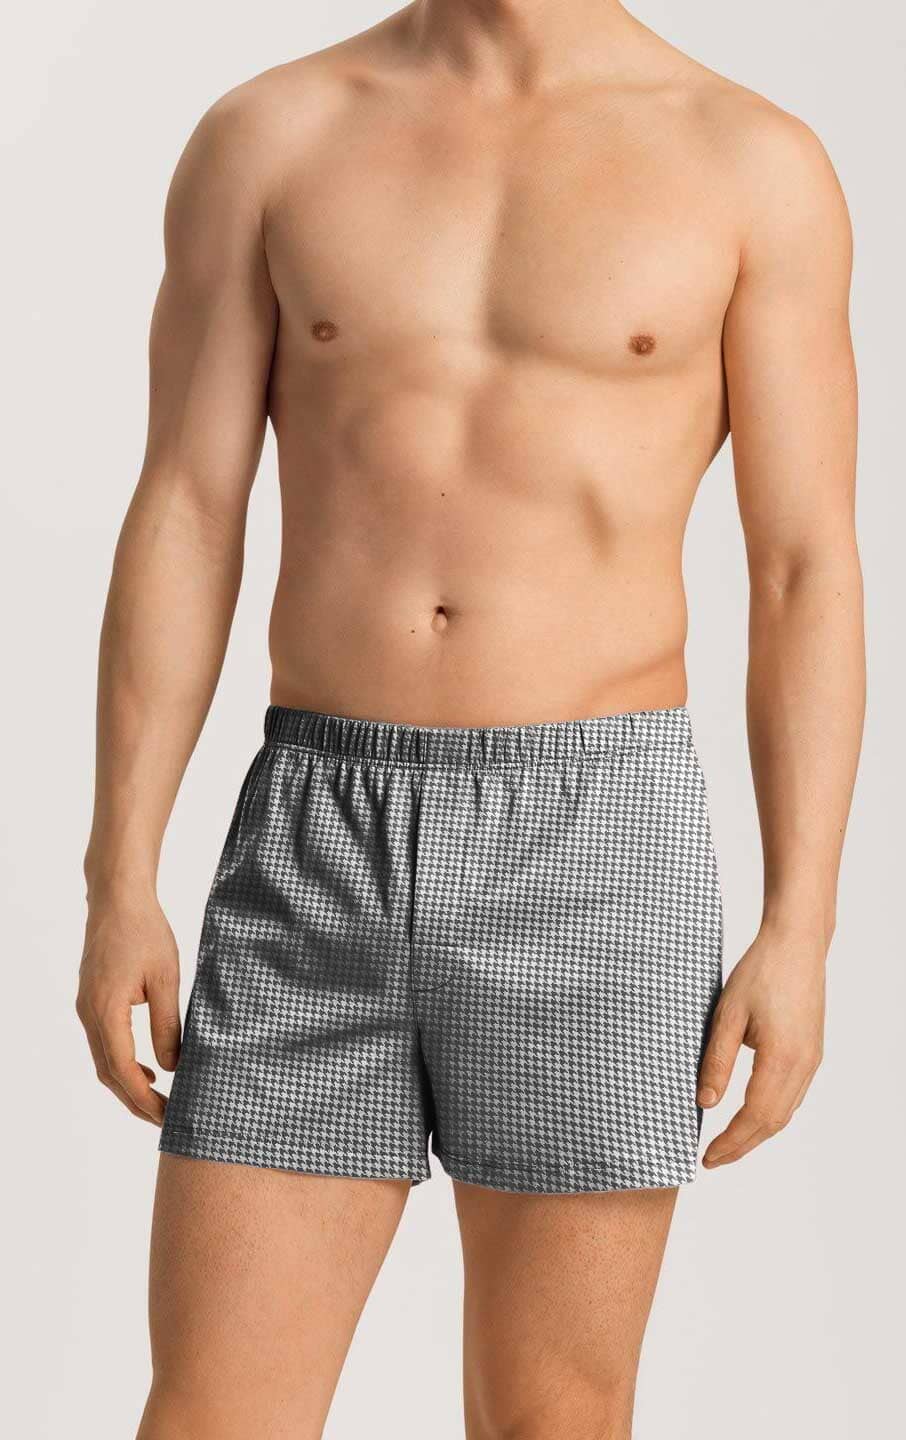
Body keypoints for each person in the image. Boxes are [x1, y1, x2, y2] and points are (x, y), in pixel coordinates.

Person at [76, 2, 864, 1436]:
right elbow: (186, 506)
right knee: (213, 1414)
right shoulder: (274, 134)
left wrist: (799, 925)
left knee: (552, 1418)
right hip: (316, 822)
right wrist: (117, 876)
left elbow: (802, 566)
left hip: (598, 839)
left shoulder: (746, 161)